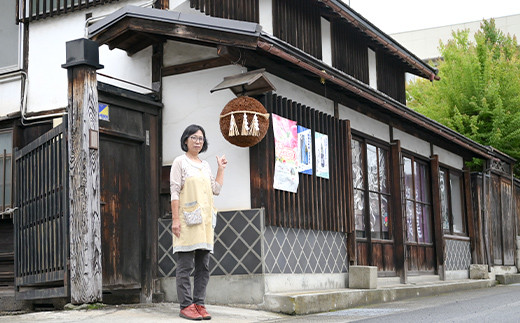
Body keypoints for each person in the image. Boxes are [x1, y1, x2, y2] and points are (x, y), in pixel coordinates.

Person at [170, 124, 227, 321]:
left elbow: (216, 189)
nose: (197, 141)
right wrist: (175, 220)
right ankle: (186, 305)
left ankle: (199, 303)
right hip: (186, 221)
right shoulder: (180, 162)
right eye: (193, 137)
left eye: (201, 138)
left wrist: (221, 168)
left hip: (204, 222)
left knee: (204, 265)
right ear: (185, 140)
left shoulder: (205, 165)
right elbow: (175, 191)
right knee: (185, 266)